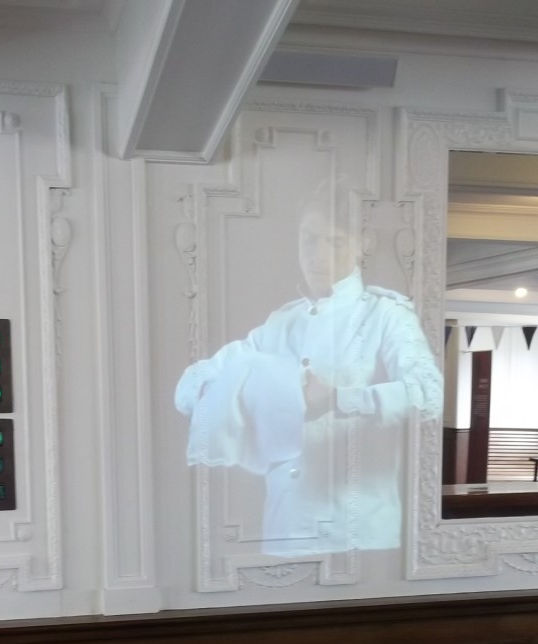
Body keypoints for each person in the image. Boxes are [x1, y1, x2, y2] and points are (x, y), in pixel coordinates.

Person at [175, 180, 442, 557]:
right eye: (310, 240)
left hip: (361, 536)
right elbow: (196, 383)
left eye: (335, 241)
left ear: (361, 244)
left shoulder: (386, 315)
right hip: (284, 526)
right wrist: (215, 390)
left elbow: (429, 394)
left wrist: (338, 399)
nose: (319, 255)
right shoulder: (281, 323)